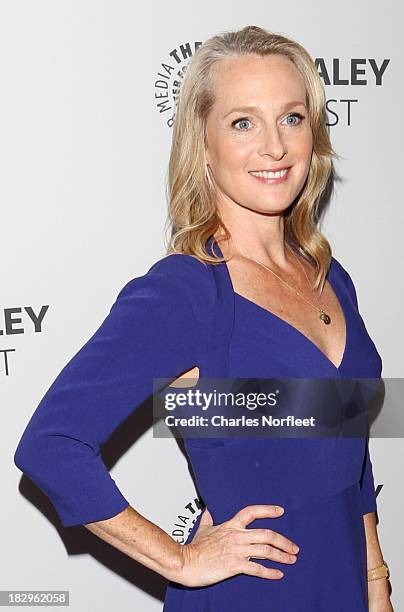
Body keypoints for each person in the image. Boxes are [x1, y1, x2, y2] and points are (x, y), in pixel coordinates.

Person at [13, 25, 393, 611]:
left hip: (340, 588)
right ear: (204, 145)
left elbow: (349, 451)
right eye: (243, 123)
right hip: (251, 596)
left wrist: (375, 581)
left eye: (292, 118)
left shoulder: (327, 275)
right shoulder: (187, 293)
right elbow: (51, 445)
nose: (275, 146)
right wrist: (182, 559)